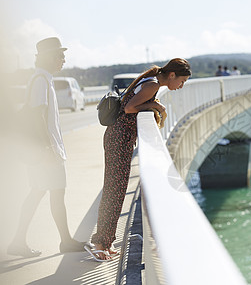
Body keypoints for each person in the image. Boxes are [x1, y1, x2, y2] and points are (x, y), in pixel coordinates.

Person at [87, 58, 191, 261]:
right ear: (172, 75)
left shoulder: (152, 81)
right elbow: (129, 108)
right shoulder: (152, 84)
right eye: (182, 81)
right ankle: (99, 243)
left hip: (120, 138)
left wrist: (153, 104)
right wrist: (155, 105)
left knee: (116, 190)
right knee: (114, 190)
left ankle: (105, 242)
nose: (181, 86)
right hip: (119, 139)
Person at [7, 37, 85, 258]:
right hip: (46, 152)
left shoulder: (42, 79)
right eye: (60, 55)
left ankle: (18, 241)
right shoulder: (41, 80)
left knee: (37, 192)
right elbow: (37, 114)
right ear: (49, 57)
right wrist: (49, 148)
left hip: (42, 150)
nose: (63, 59)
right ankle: (65, 241)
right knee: (56, 193)